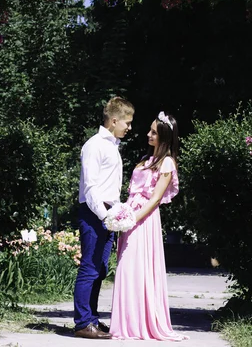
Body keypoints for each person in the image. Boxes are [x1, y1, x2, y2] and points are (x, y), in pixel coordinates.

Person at [109, 111, 189, 341]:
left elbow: (155, 198)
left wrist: (132, 220)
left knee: (138, 268)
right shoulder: (146, 160)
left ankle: (139, 324)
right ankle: (126, 324)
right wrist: (123, 213)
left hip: (144, 220)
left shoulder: (166, 163)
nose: (148, 134)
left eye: (154, 132)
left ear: (164, 137)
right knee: (126, 268)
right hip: (131, 214)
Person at [73, 97, 135, 339]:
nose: (129, 127)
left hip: (108, 213)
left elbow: (110, 186)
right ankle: (82, 323)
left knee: (100, 268)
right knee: (89, 267)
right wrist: (105, 215)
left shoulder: (112, 145)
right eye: (127, 122)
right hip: (94, 213)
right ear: (114, 120)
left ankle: (92, 319)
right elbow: (90, 188)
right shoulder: (94, 145)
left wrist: (118, 212)